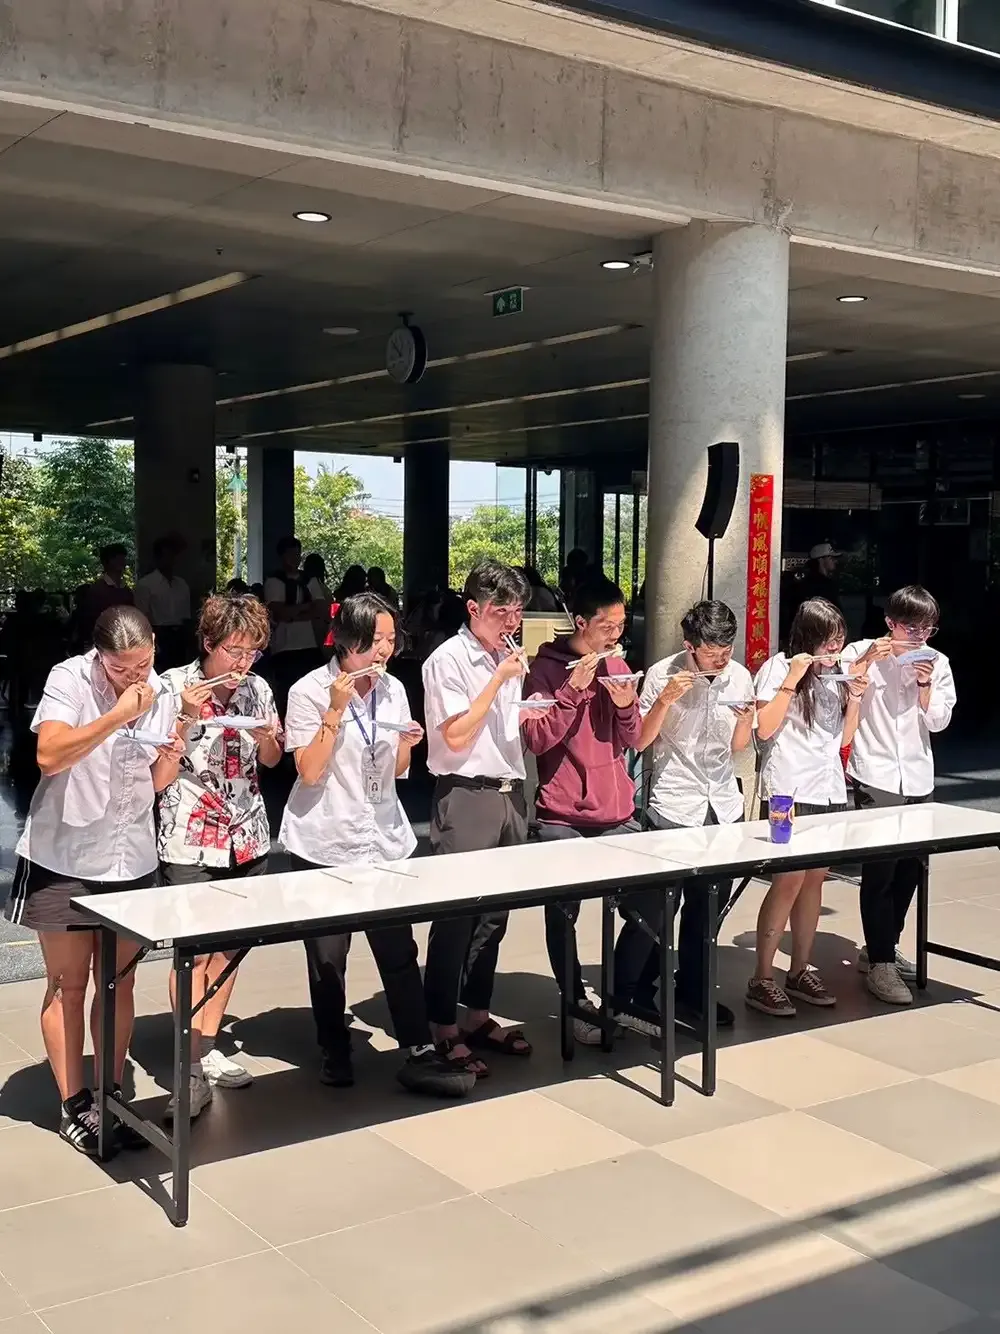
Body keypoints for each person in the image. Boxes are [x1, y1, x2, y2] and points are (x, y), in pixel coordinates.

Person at [280, 593, 473, 1098]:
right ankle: (334, 1048)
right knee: (328, 956)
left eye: (391, 639)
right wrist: (335, 710)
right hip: (325, 837)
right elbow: (309, 771)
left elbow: (397, 770)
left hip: (382, 835)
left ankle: (419, 1047)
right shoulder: (309, 690)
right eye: (375, 641)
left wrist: (406, 745)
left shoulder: (393, 689)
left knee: (397, 948)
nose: (385, 650)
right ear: (347, 641)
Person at [3, 606, 180, 1156]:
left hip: (130, 858)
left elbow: (154, 782)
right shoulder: (70, 679)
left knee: (119, 981)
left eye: (142, 664)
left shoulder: (161, 690)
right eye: (120, 668)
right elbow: (50, 755)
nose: (133, 676)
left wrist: (174, 749)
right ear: (98, 656)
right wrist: (117, 716)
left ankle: (110, 1095)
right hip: (65, 857)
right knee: (69, 984)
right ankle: (74, 1103)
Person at [155, 593, 282, 1117]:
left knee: (229, 949)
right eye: (234, 650)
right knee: (193, 953)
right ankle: (186, 1066)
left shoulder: (258, 689)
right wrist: (185, 719)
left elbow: (271, 760)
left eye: (252, 651)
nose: (243, 662)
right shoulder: (171, 687)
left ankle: (207, 1049)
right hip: (191, 832)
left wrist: (270, 737)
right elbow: (158, 771)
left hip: (247, 831)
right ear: (208, 643)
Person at [421, 560, 533, 1077]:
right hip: (466, 793)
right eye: (501, 612)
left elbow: (498, 725)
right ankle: (442, 1026)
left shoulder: (504, 655)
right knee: (456, 915)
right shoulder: (449, 659)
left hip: (509, 791)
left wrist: (526, 707)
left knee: (495, 915)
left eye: (518, 612)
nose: (511, 622)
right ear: (473, 609)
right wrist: (498, 680)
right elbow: (456, 734)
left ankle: (477, 1014)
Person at [624, 601, 755, 1030]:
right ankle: (633, 994)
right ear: (690, 646)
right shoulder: (662, 674)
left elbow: (737, 747)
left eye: (727, 650)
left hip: (722, 804)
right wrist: (664, 700)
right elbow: (640, 741)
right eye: (712, 652)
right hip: (675, 802)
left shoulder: (739, 676)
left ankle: (694, 994)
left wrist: (746, 719)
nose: (721, 659)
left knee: (708, 907)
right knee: (658, 907)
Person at [521, 576, 641, 1043]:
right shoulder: (544, 670)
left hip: (615, 811)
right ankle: (574, 1002)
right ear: (580, 622)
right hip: (562, 813)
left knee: (654, 900)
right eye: (606, 626)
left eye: (621, 625)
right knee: (562, 911)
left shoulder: (618, 664)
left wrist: (626, 705)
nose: (615, 634)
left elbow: (633, 738)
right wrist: (572, 690)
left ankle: (622, 996)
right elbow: (536, 739)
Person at [747, 598, 869, 1018]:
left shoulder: (836, 674)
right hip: (787, 790)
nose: (835, 649)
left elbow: (843, 740)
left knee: (816, 878)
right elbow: (764, 728)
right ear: (807, 638)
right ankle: (762, 977)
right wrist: (792, 679)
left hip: (828, 789)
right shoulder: (779, 667)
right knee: (788, 879)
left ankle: (799, 969)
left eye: (840, 640)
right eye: (828, 641)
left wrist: (856, 697)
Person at [843, 585, 956, 1005]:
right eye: (912, 628)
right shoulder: (861, 652)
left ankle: (883, 947)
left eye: (928, 628)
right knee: (880, 871)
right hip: (875, 772)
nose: (920, 636)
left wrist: (925, 684)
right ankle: (881, 964)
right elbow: (842, 695)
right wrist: (867, 663)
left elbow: (939, 722)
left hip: (918, 775)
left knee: (911, 869)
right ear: (891, 623)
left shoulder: (937, 661)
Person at [263, 537, 326, 715]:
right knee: (286, 694)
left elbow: (321, 608)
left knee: (311, 693)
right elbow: (279, 612)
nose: (294, 558)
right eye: (290, 554)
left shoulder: (309, 580)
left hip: (310, 645)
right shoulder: (274, 581)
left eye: (297, 554)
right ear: (282, 556)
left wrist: (294, 613)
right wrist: (307, 607)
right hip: (284, 647)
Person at [134, 534, 193, 671]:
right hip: (159, 633)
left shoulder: (182, 584)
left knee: (181, 670)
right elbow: (142, 615)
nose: (171, 560)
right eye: (167, 556)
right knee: (160, 670)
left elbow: (186, 614)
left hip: (180, 634)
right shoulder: (146, 584)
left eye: (174, 556)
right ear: (158, 558)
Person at [77, 543, 134, 647]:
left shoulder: (127, 591)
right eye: (116, 558)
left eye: (122, 558)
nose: (121, 562)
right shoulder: (96, 590)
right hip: (103, 642)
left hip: (124, 641)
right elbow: (89, 621)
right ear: (106, 562)